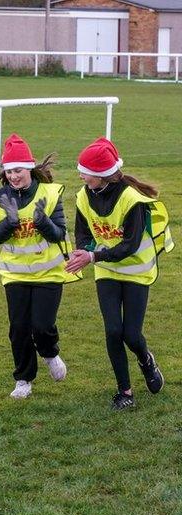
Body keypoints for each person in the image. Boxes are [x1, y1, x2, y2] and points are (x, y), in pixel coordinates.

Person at [65, 137, 174, 410]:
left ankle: (146, 360)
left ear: (102, 175)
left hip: (136, 270)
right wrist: (83, 250)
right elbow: (83, 231)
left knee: (131, 335)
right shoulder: (83, 195)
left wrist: (93, 255)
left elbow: (130, 245)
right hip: (107, 270)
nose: (80, 176)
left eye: (85, 171)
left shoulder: (132, 199)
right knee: (113, 330)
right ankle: (125, 392)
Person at [0, 134, 76, 400]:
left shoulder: (50, 193)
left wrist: (42, 222)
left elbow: (59, 234)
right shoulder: (0, 197)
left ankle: (50, 353)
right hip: (14, 274)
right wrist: (9, 223)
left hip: (48, 273)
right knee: (19, 329)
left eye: (18, 170)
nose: (13, 176)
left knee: (42, 326)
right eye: (9, 171)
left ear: (30, 169)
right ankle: (23, 379)